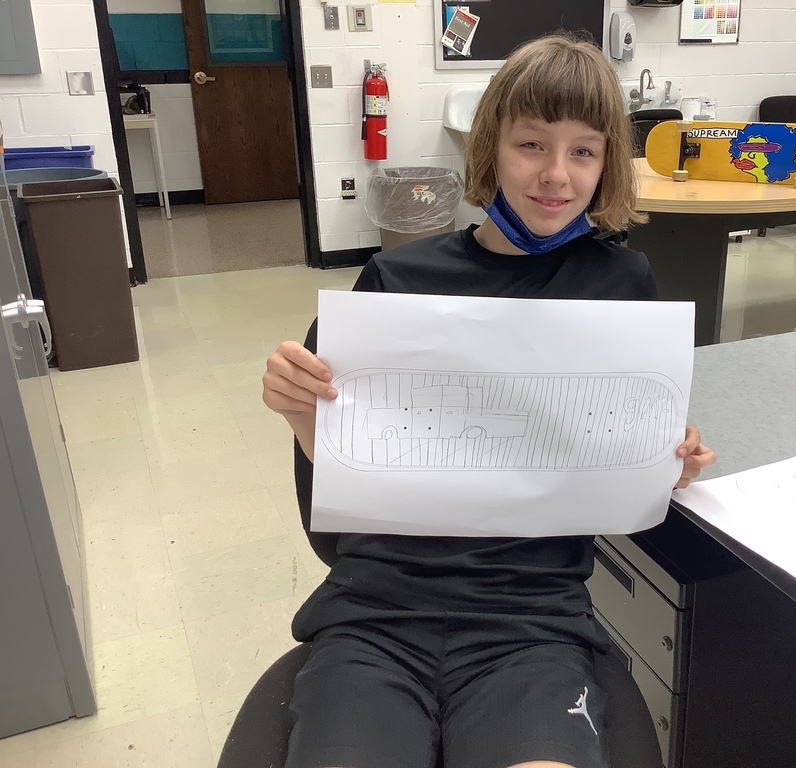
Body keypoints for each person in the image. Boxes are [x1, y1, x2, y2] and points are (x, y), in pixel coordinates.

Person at [262, 33, 717, 768]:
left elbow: (616, 452)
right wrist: (297, 408)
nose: (556, 174)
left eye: (583, 151)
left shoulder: (624, 285)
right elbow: (347, 470)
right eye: (531, 144)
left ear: (606, 163)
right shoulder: (397, 281)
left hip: (531, 617)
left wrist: (668, 458)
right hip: (380, 609)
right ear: (492, 148)